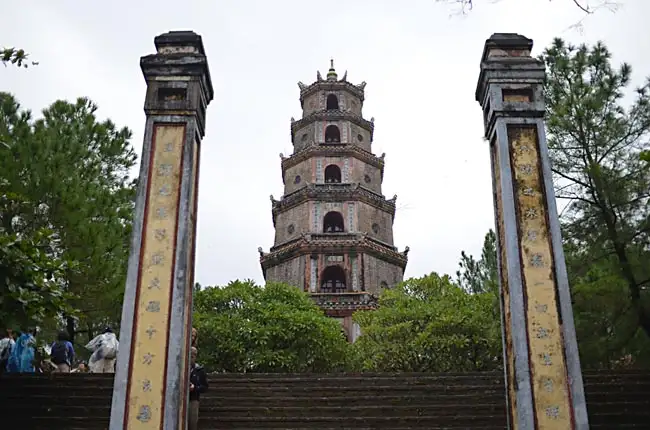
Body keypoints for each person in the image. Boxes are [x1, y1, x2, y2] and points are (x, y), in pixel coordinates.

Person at [188, 347, 208, 430]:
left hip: (193, 400)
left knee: (192, 423)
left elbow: (205, 387)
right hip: (180, 399)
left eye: (194, 355)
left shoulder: (199, 370)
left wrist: (195, 388)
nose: (192, 357)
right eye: (191, 355)